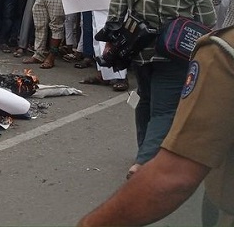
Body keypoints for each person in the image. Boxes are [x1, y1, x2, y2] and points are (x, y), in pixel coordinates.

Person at [79, 25, 234, 226]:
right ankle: (145, 158)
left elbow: (175, 176)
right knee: (160, 107)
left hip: (143, 50)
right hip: (176, 50)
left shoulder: (223, 50)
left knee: (148, 102)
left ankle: (144, 157)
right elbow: (206, 16)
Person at [105, 0, 215, 179]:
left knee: (144, 99)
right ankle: (143, 162)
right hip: (173, 53)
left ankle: (144, 149)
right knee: (165, 109)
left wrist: (111, 41)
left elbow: (116, 8)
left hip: (138, 48)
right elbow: (207, 22)